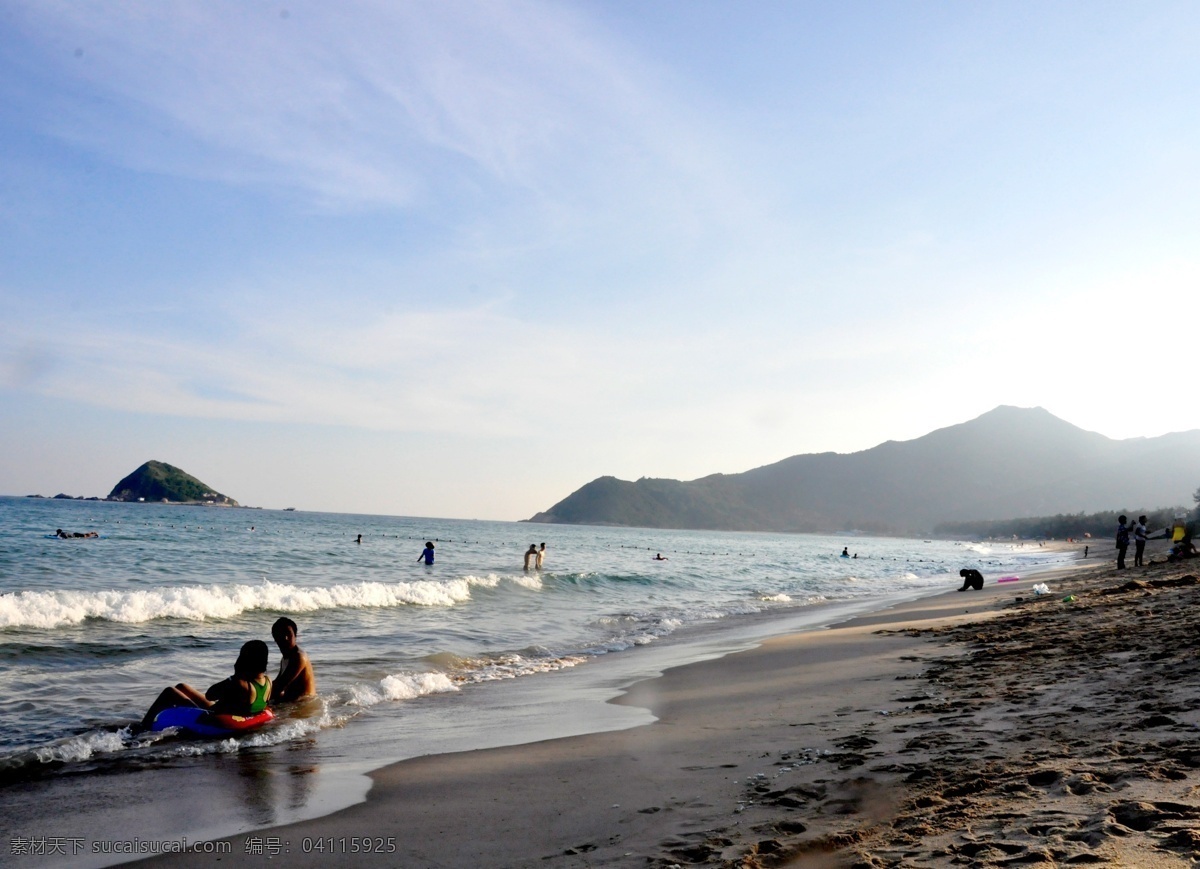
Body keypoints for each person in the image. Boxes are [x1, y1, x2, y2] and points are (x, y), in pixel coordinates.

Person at [140, 640, 271, 730]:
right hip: (225, 710)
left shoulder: (241, 684)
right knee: (181, 687)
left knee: (169, 692)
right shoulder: (268, 681)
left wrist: (235, 675)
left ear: (246, 661)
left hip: (213, 715)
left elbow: (210, 694)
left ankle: (143, 726)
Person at [270, 617, 316, 704]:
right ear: (275, 637)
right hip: (293, 704)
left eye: (288, 634)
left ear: (295, 636)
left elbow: (279, 686)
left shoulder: (299, 657)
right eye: (281, 634)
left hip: (304, 707)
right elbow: (278, 685)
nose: (286, 638)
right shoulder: (285, 658)